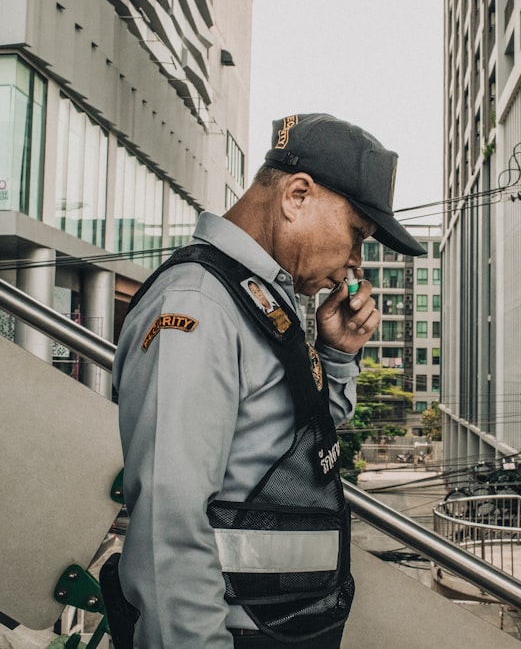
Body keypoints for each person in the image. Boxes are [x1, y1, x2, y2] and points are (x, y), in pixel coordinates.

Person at [112, 113, 426, 648]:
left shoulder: (259, 297)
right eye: (357, 235)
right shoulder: (198, 305)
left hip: (280, 627)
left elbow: (296, 443)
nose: (355, 263)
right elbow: (170, 529)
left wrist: (337, 353)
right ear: (296, 196)